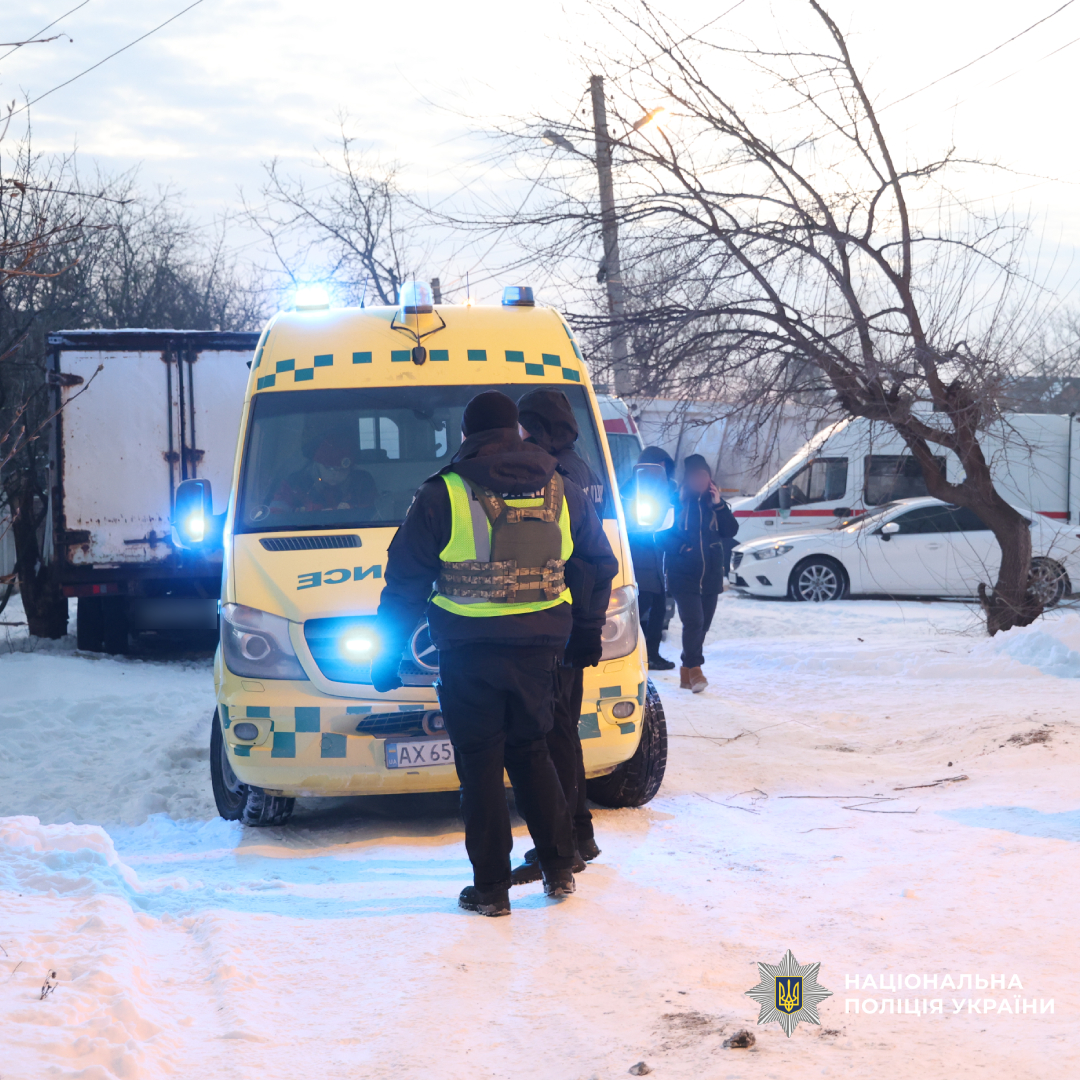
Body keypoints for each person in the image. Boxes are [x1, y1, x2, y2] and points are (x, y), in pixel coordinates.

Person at [371, 390, 617, 917]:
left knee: (480, 765)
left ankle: (491, 889)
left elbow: (406, 580)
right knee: (532, 752)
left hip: (469, 652)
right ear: (517, 431)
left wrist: (387, 652)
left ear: (467, 435)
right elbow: (598, 562)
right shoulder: (562, 489)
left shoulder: (444, 493)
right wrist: (586, 631)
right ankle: (557, 869)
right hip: (541, 650)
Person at [512, 389, 618, 883]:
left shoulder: (555, 476)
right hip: (578, 619)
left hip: (558, 619)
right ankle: (579, 832)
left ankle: (567, 840)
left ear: (532, 426)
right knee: (562, 733)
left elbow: (573, 555)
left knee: (551, 737)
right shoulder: (584, 469)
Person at [664, 453, 738, 693]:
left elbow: (730, 531)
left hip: (711, 575)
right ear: (688, 479)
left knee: (702, 625)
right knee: (693, 621)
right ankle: (695, 669)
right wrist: (681, 547)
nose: (701, 480)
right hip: (682, 574)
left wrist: (719, 505)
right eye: (696, 476)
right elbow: (660, 534)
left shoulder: (715, 505)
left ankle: (686, 672)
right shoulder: (675, 501)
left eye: (704, 476)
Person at [621, 446, 676, 671]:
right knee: (637, 611)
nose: (660, 472)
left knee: (659, 612)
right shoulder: (629, 490)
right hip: (638, 560)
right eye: (657, 467)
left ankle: (652, 654)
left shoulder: (665, 491)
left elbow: (668, 522)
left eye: (663, 468)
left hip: (657, 560)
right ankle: (635, 654)